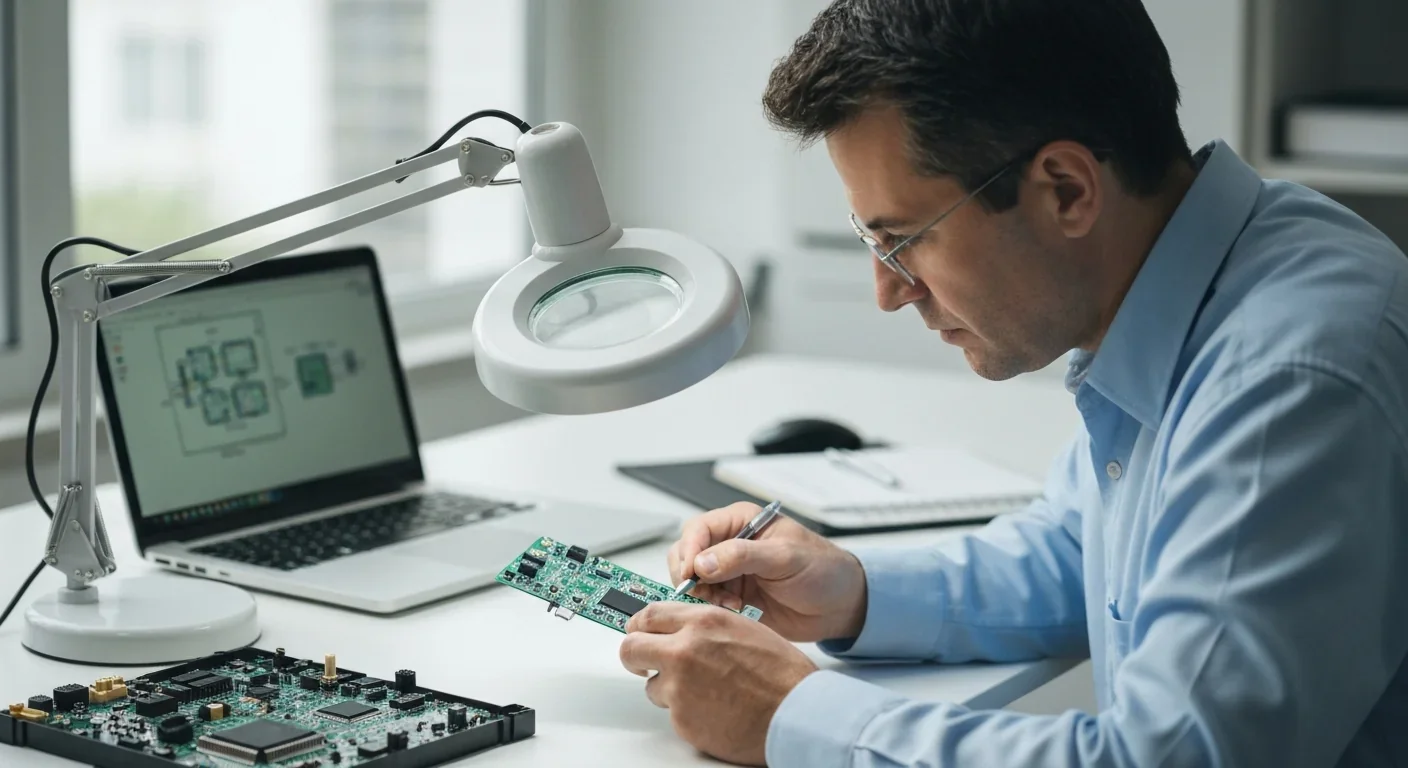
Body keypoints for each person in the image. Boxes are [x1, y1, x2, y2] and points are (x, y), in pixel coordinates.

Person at [616, 0, 1408, 766]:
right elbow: (1079, 552)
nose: (889, 292)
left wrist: (790, 716)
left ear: (1066, 189)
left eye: (902, 240)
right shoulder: (1199, 281)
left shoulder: (1288, 381)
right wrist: (853, 592)